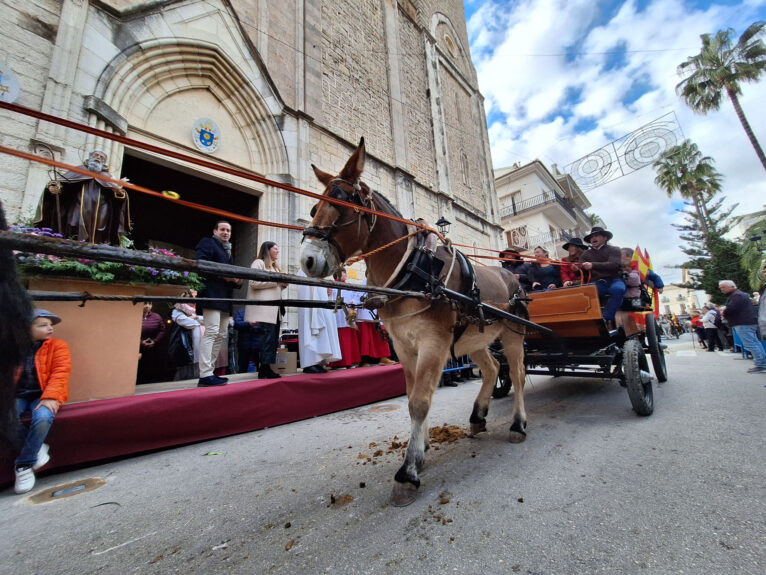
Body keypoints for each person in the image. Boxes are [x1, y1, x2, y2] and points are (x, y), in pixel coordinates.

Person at [12, 309, 71, 494]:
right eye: (43, 325)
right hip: (18, 395)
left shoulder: (58, 346)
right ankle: (36, 449)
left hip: (44, 394)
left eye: (50, 325)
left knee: (43, 417)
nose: (50, 328)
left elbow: (61, 373)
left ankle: (23, 465)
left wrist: (51, 397)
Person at [35, 149, 130, 244]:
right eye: (96, 155)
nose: (98, 158)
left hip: (101, 208)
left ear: (104, 163)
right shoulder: (78, 170)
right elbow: (63, 185)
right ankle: (71, 251)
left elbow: (118, 197)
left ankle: (93, 254)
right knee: (74, 224)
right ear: (89, 158)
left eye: (102, 158)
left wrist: (118, 191)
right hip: (78, 204)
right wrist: (55, 187)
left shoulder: (107, 177)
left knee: (99, 230)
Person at [195, 220, 242, 387]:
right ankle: (205, 374)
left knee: (221, 334)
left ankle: (210, 371)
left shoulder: (228, 250)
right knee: (211, 331)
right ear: (214, 231)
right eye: (222, 229)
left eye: (228, 230)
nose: (226, 233)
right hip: (211, 294)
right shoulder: (207, 243)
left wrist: (237, 280)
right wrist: (225, 276)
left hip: (225, 298)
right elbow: (201, 263)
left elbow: (233, 275)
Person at [245, 241, 287, 379]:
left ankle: (267, 367)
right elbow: (254, 282)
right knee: (267, 338)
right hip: (265, 308)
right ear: (267, 250)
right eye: (275, 249)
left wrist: (282, 285)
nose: (278, 251)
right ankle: (264, 368)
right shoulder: (258, 263)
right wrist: (276, 282)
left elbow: (274, 285)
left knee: (273, 339)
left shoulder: (275, 267)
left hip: (275, 309)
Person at [576, 226, 626, 327]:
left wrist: (592, 265)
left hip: (614, 280)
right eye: (591, 237)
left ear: (605, 238)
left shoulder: (614, 249)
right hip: (598, 282)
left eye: (596, 236)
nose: (593, 238)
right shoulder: (585, 254)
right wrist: (576, 269)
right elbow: (581, 271)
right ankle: (586, 320)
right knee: (582, 294)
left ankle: (606, 317)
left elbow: (614, 265)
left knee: (619, 289)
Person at [296, 269, 341, 373]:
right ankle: (310, 363)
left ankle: (318, 361)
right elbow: (308, 289)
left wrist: (326, 288)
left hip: (320, 301)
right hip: (311, 303)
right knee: (310, 329)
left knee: (322, 331)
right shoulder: (304, 270)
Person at [719, 279, 766, 374]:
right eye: (720, 288)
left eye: (723, 287)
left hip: (743, 323)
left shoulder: (737, 296)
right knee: (755, 343)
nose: (722, 290)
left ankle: (761, 365)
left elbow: (732, 308)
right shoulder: (739, 295)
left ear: (732, 286)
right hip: (747, 322)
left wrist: (724, 312)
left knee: (751, 344)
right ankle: (762, 363)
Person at [357, 279, 396, 366]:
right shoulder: (363, 284)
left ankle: (383, 357)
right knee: (366, 339)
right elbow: (357, 298)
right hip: (365, 314)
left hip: (377, 313)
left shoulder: (380, 283)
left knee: (380, 337)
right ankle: (364, 361)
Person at [329, 269, 362, 369]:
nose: (346, 275)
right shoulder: (332, 285)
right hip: (337, 315)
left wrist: (353, 302)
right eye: (344, 273)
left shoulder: (349, 286)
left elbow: (355, 297)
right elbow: (329, 298)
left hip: (348, 315)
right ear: (338, 274)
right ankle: (340, 363)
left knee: (350, 339)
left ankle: (352, 361)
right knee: (340, 339)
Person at [170, 294, 203, 381]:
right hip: (186, 346)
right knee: (185, 371)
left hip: (198, 346)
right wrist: (200, 322)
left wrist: (196, 317)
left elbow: (206, 319)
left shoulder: (197, 310)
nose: (194, 300)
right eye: (191, 297)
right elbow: (185, 322)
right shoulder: (177, 309)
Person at [137, 301, 167, 384]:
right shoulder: (135, 315)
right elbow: (130, 331)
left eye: (149, 304)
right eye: (145, 304)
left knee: (152, 367)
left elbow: (162, 330)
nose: (147, 306)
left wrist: (155, 341)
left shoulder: (157, 316)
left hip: (154, 347)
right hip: (138, 347)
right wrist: (141, 342)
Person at [233, 308, 262, 373]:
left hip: (258, 345)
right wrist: (249, 324)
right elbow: (236, 324)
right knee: (243, 367)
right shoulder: (241, 311)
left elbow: (267, 326)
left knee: (260, 368)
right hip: (244, 345)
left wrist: (259, 325)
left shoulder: (261, 312)